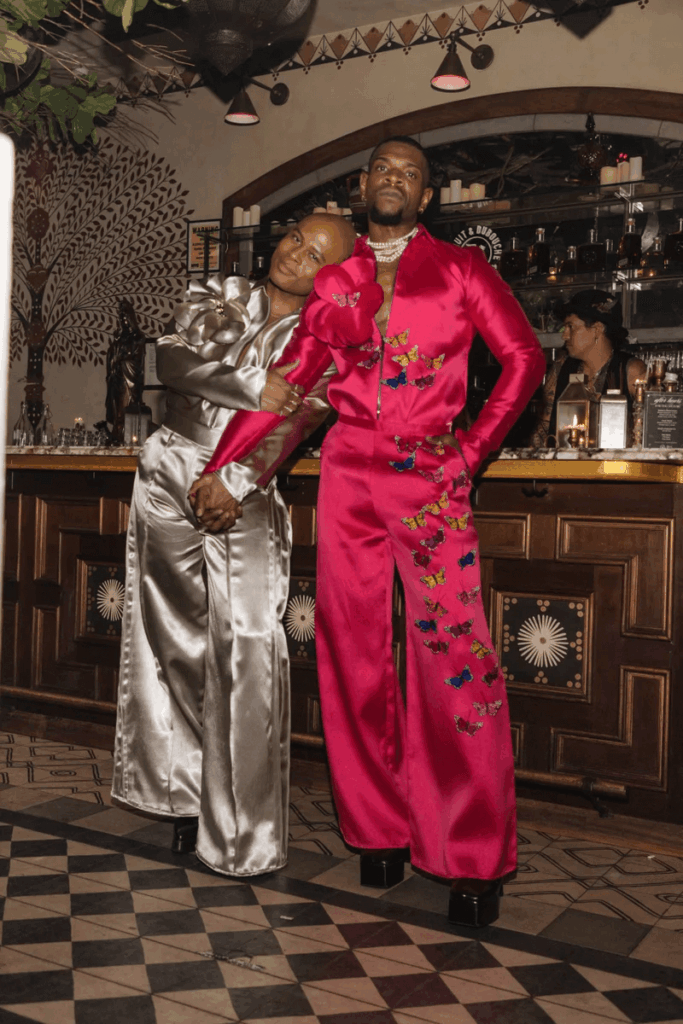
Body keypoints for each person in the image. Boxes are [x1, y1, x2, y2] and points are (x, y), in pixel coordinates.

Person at [192, 137, 545, 924]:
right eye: (381, 168)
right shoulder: (337, 281)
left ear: (425, 199)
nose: (392, 179)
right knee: (349, 652)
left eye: (408, 174)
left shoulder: (460, 270)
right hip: (347, 471)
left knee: (453, 656)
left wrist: (473, 453)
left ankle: (471, 853)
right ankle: (377, 833)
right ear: (363, 187)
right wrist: (223, 464)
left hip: (430, 475)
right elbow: (290, 387)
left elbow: (522, 358)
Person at [111, 213, 357, 878]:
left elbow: (300, 417)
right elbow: (171, 362)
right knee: (170, 638)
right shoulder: (225, 295)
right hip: (167, 470)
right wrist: (248, 385)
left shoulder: (329, 339)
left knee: (245, 646)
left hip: (241, 487)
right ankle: (186, 794)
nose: (295, 257)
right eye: (293, 240)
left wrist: (237, 479)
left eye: (315, 256)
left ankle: (244, 833)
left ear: (334, 277)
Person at [532, 289, 646, 447]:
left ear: (597, 329)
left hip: (616, 468)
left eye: (571, 327)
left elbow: (652, 431)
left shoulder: (631, 371)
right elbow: (543, 428)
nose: (564, 335)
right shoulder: (561, 369)